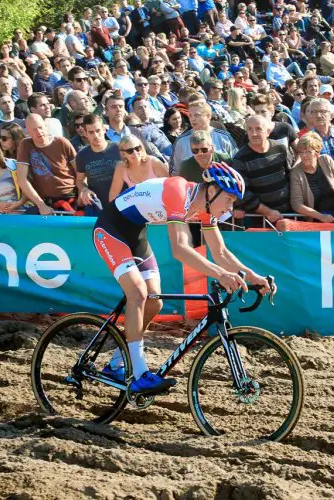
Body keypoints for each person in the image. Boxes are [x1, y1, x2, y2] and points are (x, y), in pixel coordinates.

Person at [92, 163, 272, 394]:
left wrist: (252, 276)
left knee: (155, 301)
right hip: (110, 231)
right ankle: (139, 374)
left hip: (136, 235)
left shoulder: (206, 208)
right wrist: (220, 274)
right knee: (137, 292)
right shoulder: (177, 191)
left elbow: (221, 252)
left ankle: (117, 363)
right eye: (228, 198)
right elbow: (179, 249)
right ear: (210, 190)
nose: (230, 206)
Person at [233, 115, 293, 228]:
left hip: (289, 215)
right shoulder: (239, 159)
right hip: (259, 221)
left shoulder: (281, 149)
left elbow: (290, 176)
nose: (254, 133)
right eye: (250, 129)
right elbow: (243, 193)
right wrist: (268, 212)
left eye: (258, 129)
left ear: (268, 131)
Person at [16, 114, 78, 215]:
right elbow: (21, 179)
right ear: (27, 132)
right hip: (45, 201)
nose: (39, 132)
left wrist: (82, 191)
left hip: (70, 197)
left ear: (45, 126)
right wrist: (40, 204)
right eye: (34, 130)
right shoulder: (25, 145)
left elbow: (79, 171)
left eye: (40, 127)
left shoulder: (62, 142)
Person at [289, 132, 334, 223]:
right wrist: (321, 216)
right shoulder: (296, 172)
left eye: (308, 152)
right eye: (301, 152)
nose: (304, 155)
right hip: (316, 219)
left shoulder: (326, 160)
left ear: (317, 152)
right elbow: (297, 204)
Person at [76, 113, 122, 214]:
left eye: (98, 131)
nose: (96, 136)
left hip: (121, 204)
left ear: (104, 129)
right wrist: (85, 190)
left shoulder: (119, 148)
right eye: (91, 132)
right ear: (85, 134)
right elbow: (79, 180)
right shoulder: (82, 155)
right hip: (98, 207)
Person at [108, 135, 169, 201]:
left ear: (142, 148)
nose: (135, 153)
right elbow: (113, 195)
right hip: (141, 208)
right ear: (123, 154)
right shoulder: (121, 168)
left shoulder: (154, 162)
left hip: (162, 204)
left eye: (137, 148)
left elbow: (170, 186)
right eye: (130, 151)